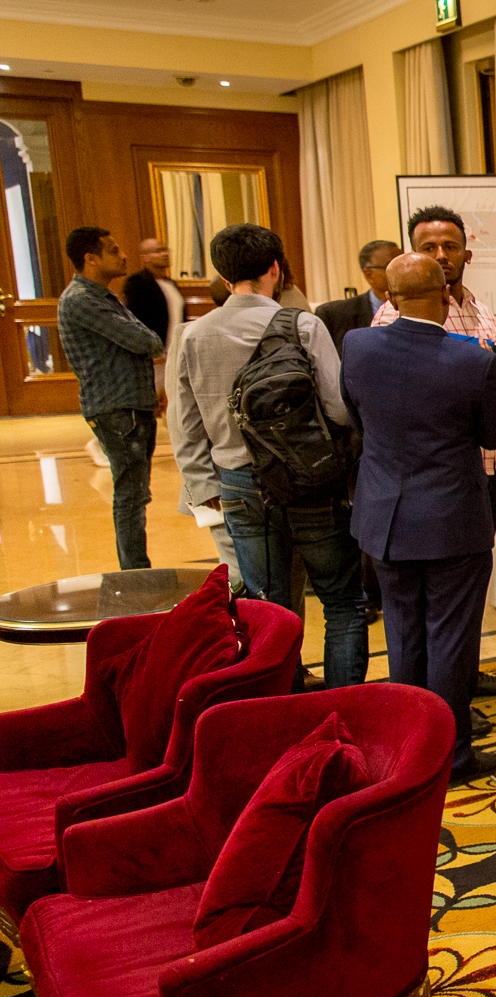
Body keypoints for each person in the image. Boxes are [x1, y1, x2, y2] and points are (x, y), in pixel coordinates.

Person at [171, 223, 369, 688]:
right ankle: (342, 708)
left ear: (222, 277)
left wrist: (206, 489)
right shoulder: (302, 325)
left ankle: (282, 707)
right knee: (342, 602)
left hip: (238, 483)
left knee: (267, 608)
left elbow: (184, 425)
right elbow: (340, 410)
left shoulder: (194, 336)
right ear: (275, 269)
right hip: (308, 480)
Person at [342, 253, 496, 779]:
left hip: (383, 519)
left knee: (404, 633)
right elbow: (494, 436)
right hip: (450, 520)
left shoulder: (358, 345)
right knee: (451, 639)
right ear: (445, 295)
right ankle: (451, 755)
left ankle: (407, 745)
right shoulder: (472, 360)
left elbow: (356, 414)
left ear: (390, 300)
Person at [369, 205, 496, 712]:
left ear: (466, 252)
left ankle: (460, 679)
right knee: (427, 608)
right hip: (430, 485)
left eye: (449, 246)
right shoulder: (397, 315)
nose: (441, 254)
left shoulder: (481, 310)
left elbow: (495, 394)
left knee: (460, 601)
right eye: (428, 246)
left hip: (486, 471)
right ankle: (435, 716)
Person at [57, 227, 164, 570]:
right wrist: (148, 342)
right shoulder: (82, 300)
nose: (124, 256)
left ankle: (136, 571)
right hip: (116, 407)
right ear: (90, 259)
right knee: (130, 496)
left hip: (129, 404)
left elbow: (148, 340)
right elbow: (146, 342)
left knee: (135, 493)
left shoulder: (102, 295)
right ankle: (135, 574)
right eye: (114, 250)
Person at [316, 239, 399, 350]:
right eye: (393, 267)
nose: (403, 271)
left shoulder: (421, 308)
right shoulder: (334, 316)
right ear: (369, 274)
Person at [122, 238, 183, 345]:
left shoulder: (171, 284)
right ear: (145, 257)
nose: (164, 254)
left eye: (165, 250)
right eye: (157, 251)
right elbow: (135, 320)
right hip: (154, 352)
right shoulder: (137, 282)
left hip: (176, 349)